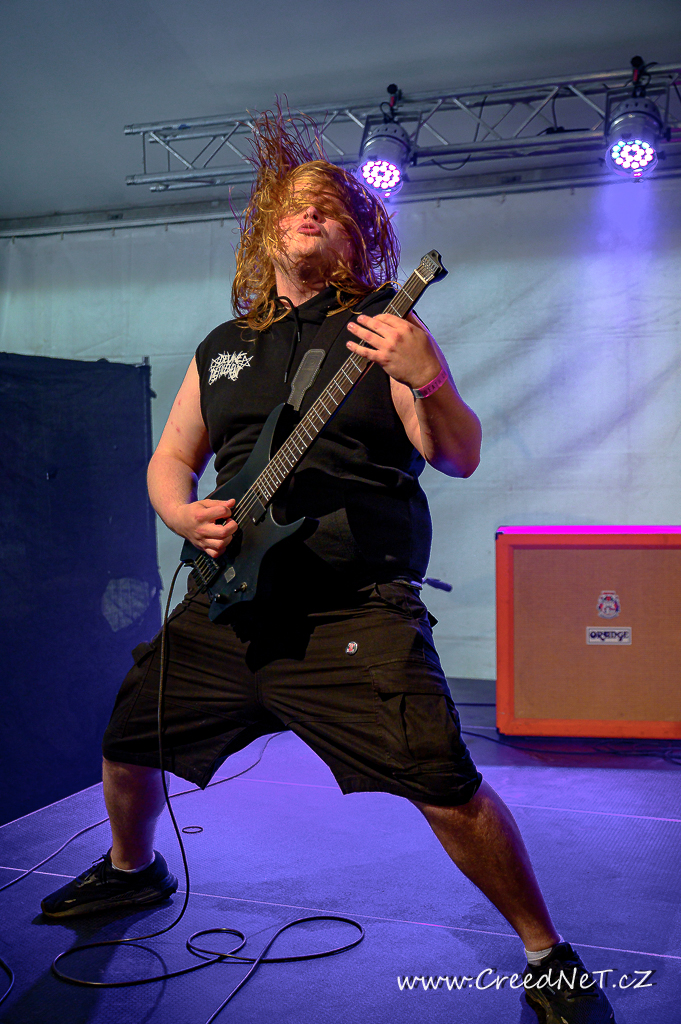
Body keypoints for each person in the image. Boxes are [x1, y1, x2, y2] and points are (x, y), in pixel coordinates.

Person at [41, 111, 615, 1024]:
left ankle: (547, 952)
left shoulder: (384, 328)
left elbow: (458, 454)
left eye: (333, 209)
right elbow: (171, 459)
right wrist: (181, 512)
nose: (312, 215)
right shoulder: (222, 346)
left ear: (357, 237)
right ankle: (132, 869)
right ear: (266, 229)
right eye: (296, 205)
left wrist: (428, 379)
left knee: (441, 780)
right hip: (227, 601)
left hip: (354, 609)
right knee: (128, 735)